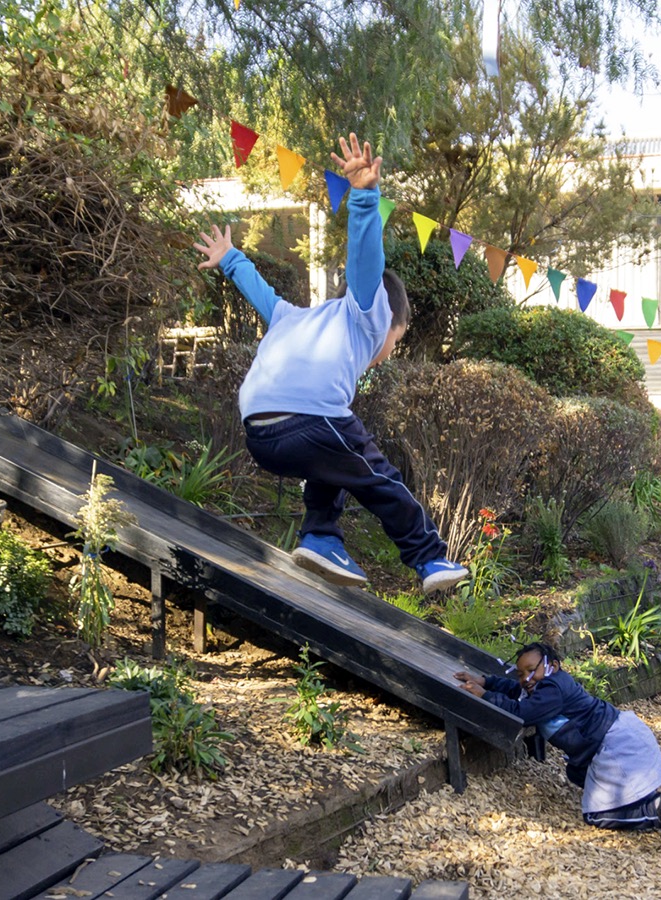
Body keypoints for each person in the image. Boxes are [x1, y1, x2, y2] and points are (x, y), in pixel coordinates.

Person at [193, 134, 467, 596]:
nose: (388, 353)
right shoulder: (367, 311)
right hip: (308, 418)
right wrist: (364, 197)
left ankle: (321, 537)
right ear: (389, 321)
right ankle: (429, 557)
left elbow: (261, 293)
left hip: (259, 433)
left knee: (334, 461)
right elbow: (365, 261)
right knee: (378, 477)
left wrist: (231, 259)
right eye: (396, 342)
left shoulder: (292, 317)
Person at [455, 642, 661, 836]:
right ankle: (639, 798)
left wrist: (486, 695)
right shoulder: (548, 684)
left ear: (552, 666)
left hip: (617, 745)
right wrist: (487, 682)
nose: (526, 679)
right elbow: (516, 691)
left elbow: (521, 712)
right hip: (620, 736)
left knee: (595, 815)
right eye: (521, 674)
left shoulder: (552, 689)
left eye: (531, 670)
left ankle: (655, 809)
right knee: (575, 772)